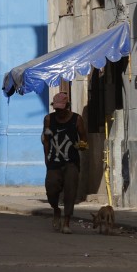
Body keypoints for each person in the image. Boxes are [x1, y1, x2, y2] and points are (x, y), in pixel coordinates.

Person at [42, 91, 87, 234]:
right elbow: (46, 140)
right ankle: (56, 209)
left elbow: (84, 139)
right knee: (51, 189)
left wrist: (81, 146)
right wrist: (46, 158)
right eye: (56, 109)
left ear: (67, 106)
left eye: (61, 109)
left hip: (71, 162)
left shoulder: (77, 119)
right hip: (53, 162)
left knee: (70, 191)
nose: (59, 112)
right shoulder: (48, 119)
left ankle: (66, 222)